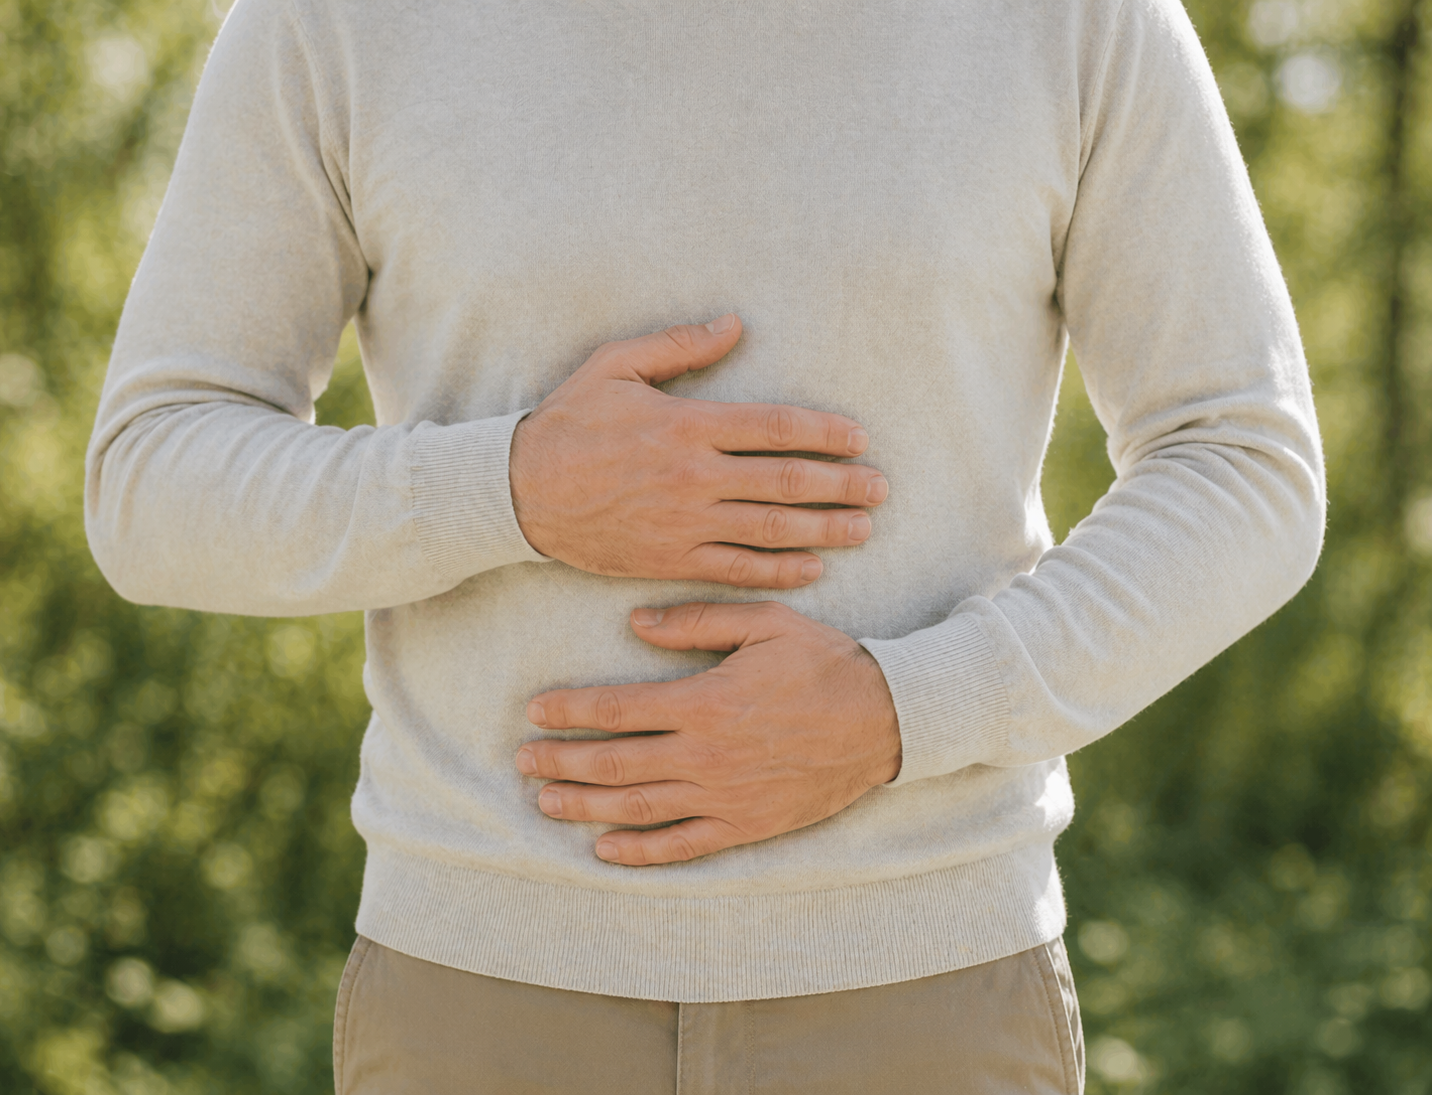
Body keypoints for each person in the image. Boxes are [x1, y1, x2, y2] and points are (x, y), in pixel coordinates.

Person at [84, 0, 1325, 1090]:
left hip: (928, 997)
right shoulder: (339, 20)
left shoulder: (1074, 19)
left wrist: (909, 708)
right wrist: (510, 486)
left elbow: (1244, 462)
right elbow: (153, 479)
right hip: (480, 1004)